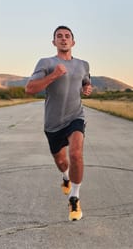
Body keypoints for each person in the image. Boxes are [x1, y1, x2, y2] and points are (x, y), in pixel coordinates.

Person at [25, 25, 92, 221]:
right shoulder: (46, 62)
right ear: (54, 42)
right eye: (59, 36)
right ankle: (65, 178)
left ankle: (75, 197)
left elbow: (86, 82)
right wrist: (54, 75)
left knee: (76, 153)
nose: (63, 39)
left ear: (73, 42)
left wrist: (88, 88)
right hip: (53, 122)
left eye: (67, 36)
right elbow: (29, 89)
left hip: (75, 116)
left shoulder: (83, 64)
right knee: (62, 162)